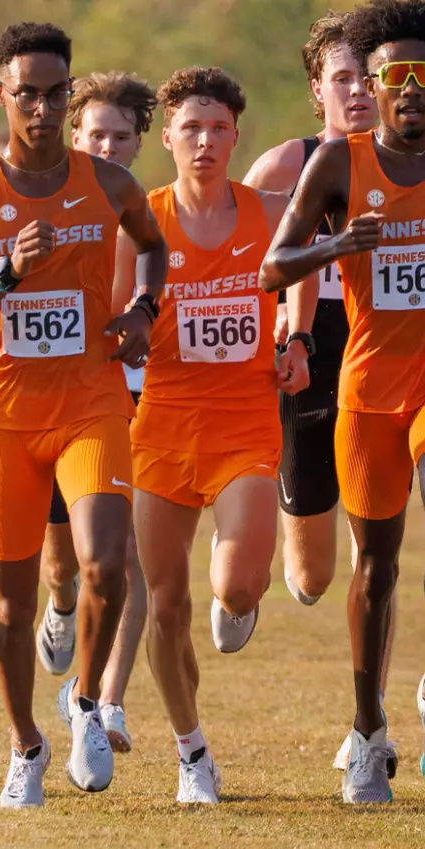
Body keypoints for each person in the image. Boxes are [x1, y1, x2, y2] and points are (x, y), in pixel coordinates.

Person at [261, 0, 425, 804]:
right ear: (370, 81)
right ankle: (366, 728)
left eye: (422, 74)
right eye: (392, 74)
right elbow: (274, 265)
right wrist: (338, 242)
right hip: (368, 388)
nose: (407, 88)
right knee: (376, 562)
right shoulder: (337, 165)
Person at [0, 22, 168, 808]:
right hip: (9, 416)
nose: (40, 105)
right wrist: (5, 273)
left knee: (105, 566)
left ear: (70, 98)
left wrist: (142, 306)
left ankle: (89, 706)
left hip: (93, 401)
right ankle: (25, 743)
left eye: (54, 92)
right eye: (25, 91)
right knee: (13, 603)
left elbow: (153, 242)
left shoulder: (109, 183)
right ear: (0, 94)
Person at [127, 66, 311, 803]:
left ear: (237, 135)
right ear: (167, 136)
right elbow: (117, 305)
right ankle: (190, 749)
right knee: (164, 607)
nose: (205, 142)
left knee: (235, 587)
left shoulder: (269, 210)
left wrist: (295, 335)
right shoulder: (142, 219)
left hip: (243, 423)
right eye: (191, 129)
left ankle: (236, 578)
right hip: (163, 427)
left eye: (219, 129)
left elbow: (300, 269)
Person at [241, 12, 393, 773]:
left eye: (371, 77)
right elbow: (233, 259)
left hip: (388, 359)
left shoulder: (415, 161)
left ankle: (370, 721)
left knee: (381, 551)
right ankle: (248, 537)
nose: (361, 92)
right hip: (304, 357)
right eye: (343, 78)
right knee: (311, 577)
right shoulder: (281, 168)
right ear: (316, 90)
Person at [36, 70, 160, 758]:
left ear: (140, 142)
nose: (108, 146)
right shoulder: (48, 203)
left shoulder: (153, 212)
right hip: (58, 400)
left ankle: (106, 700)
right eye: (95, 135)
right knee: (65, 564)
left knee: (126, 555)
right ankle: (60, 607)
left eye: (121, 136)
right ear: (73, 136)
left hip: (138, 394)